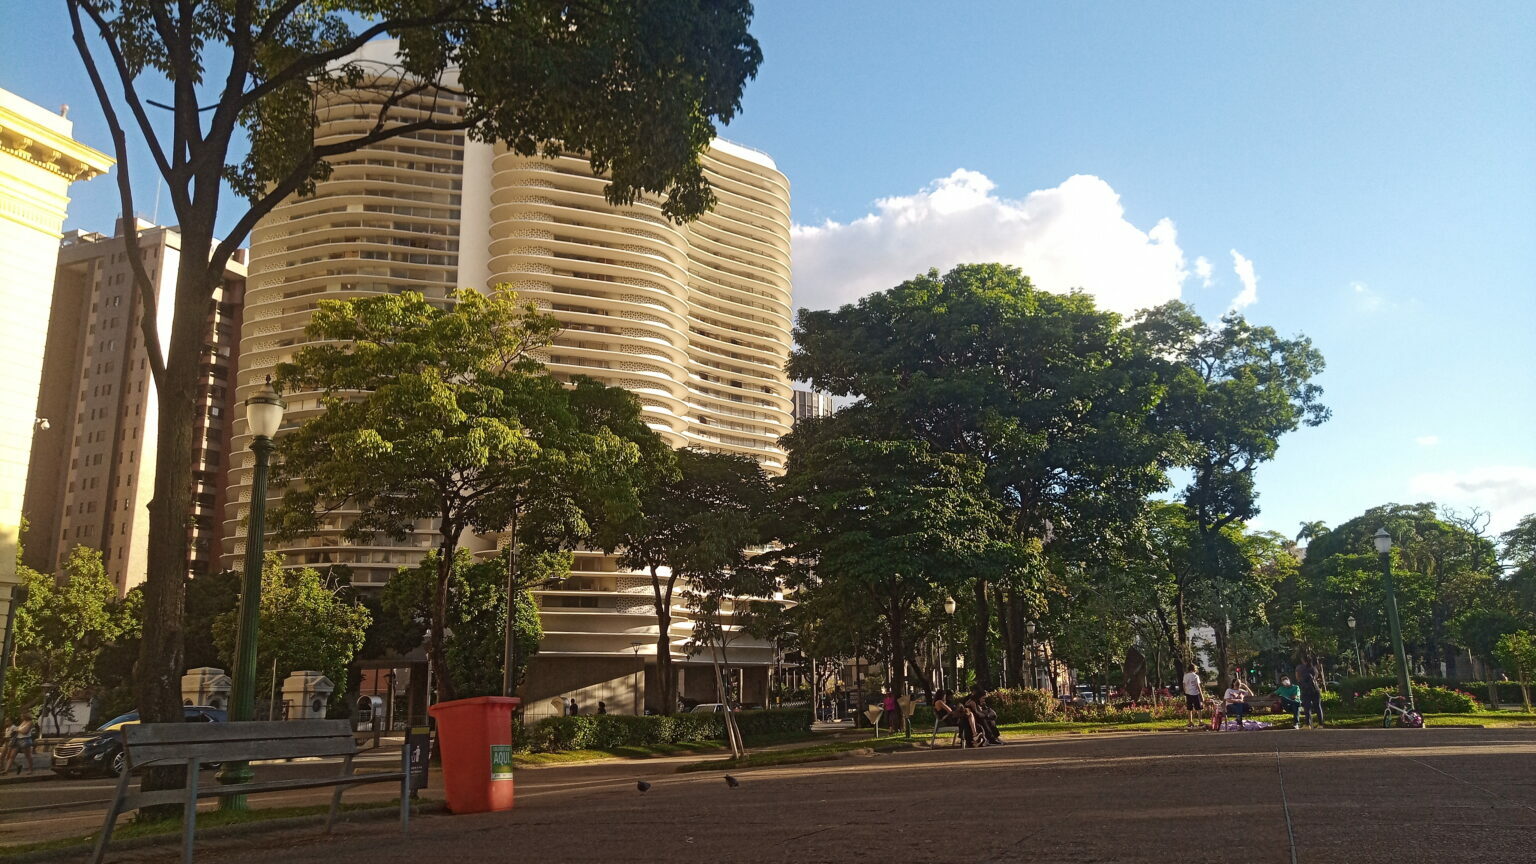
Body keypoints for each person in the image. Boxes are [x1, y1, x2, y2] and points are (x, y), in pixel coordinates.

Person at [1295, 655, 1324, 728]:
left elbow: (1298, 678)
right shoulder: (1313, 668)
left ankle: (1307, 724)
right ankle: (1321, 724)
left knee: (1307, 707)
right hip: (1315, 689)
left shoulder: (1299, 668)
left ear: (1302, 659)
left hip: (1306, 689)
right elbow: (1317, 676)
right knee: (1318, 706)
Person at [1182, 663, 1206, 729]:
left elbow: (1184, 685)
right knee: (1199, 708)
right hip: (1195, 693)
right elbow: (1198, 686)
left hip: (1188, 693)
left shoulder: (1185, 676)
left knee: (1189, 708)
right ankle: (1200, 721)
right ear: (1194, 669)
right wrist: (1201, 695)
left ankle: (1190, 722)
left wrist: (1186, 692)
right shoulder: (1196, 676)